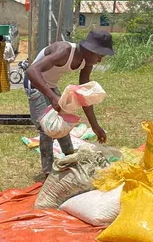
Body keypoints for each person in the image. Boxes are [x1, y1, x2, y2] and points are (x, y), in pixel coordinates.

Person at [26, 30, 112, 176]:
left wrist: (95, 126)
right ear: (90, 49)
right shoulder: (65, 51)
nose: (100, 60)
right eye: (100, 56)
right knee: (47, 128)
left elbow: (84, 96)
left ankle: (70, 158)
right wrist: (53, 98)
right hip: (34, 83)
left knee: (64, 121)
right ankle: (48, 172)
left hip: (50, 86)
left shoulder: (86, 63)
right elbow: (31, 71)